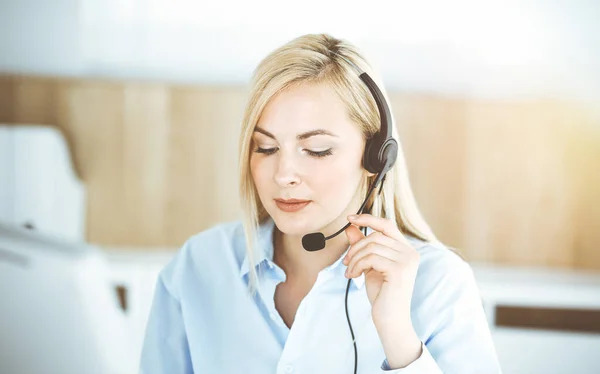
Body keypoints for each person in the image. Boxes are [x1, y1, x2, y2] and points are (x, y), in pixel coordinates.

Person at [139, 33, 502, 373]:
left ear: (376, 157)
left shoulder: (439, 284)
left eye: (316, 150)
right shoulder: (199, 266)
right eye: (265, 147)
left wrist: (398, 335)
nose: (284, 174)